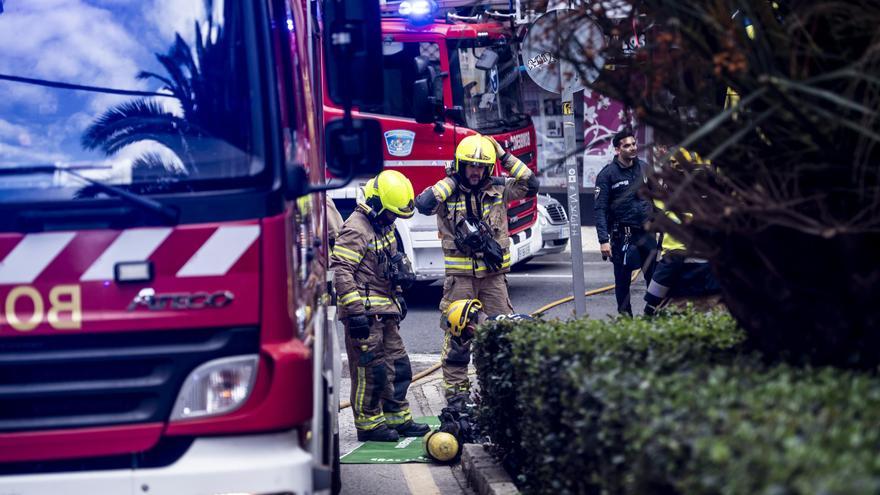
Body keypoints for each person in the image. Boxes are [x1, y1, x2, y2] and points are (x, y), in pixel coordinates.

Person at [415, 133, 538, 406]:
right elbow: (423, 204)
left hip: (493, 279)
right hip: (460, 281)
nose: (475, 171)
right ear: (460, 164)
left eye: (481, 166)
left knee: (502, 335)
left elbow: (531, 184)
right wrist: (452, 180)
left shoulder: (498, 188)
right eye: (470, 165)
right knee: (458, 339)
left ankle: (497, 395)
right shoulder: (449, 190)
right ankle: (458, 399)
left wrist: (504, 155)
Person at [331, 170, 429, 442]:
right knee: (369, 372)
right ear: (375, 203)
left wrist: (398, 295)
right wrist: (355, 313)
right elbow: (341, 270)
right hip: (364, 315)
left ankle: (398, 418)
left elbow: (391, 265)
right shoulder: (357, 228)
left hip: (385, 311)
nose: (393, 219)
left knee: (398, 365)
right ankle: (369, 425)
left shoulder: (383, 224)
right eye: (390, 213)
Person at [644, 150, 722, 315]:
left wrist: (651, 301)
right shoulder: (714, 207)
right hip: (716, 288)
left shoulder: (677, 213)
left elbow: (672, 259)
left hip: (687, 288)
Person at [594, 129, 658, 316]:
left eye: (634, 144)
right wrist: (603, 240)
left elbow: (657, 198)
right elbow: (600, 209)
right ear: (617, 150)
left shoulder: (644, 168)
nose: (632, 148)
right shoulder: (607, 175)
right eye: (627, 145)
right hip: (623, 235)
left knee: (654, 278)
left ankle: (652, 314)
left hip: (646, 233)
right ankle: (625, 319)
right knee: (622, 281)